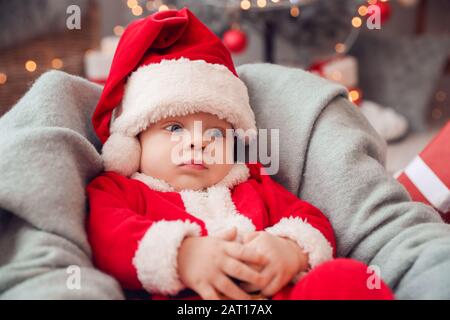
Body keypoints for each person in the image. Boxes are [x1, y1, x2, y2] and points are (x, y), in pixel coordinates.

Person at [86, 8, 393, 300]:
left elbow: (308, 217)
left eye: (215, 133)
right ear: (134, 139)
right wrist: (182, 255)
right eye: (175, 127)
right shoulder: (123, 189)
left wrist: (289, 249)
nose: (198, 143)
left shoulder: (250, 185)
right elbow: (106, 234)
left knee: (344, 279)